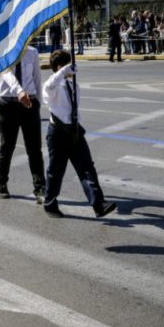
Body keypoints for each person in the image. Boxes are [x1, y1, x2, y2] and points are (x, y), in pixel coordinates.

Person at [41, 50, 117, 218]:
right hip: (58, 133)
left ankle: (98, 205)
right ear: (60, 67)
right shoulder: (52, 86)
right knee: (56, 171)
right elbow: (49, 86)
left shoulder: (73, 85)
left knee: (87, 168)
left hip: (74, 131)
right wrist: (63, 71)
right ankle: (50, 203)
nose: (73, 68)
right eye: (69, 64)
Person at [0, 44, 46, 203]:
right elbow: (6, 73)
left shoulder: (32, 52)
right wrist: (19, 91)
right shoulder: (3, 50)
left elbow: (37, 77)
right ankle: (1, 182)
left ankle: (40, 187)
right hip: (8, 104)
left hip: (29, 104)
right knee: (7, 146)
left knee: (34, 148)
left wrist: (38, 101)